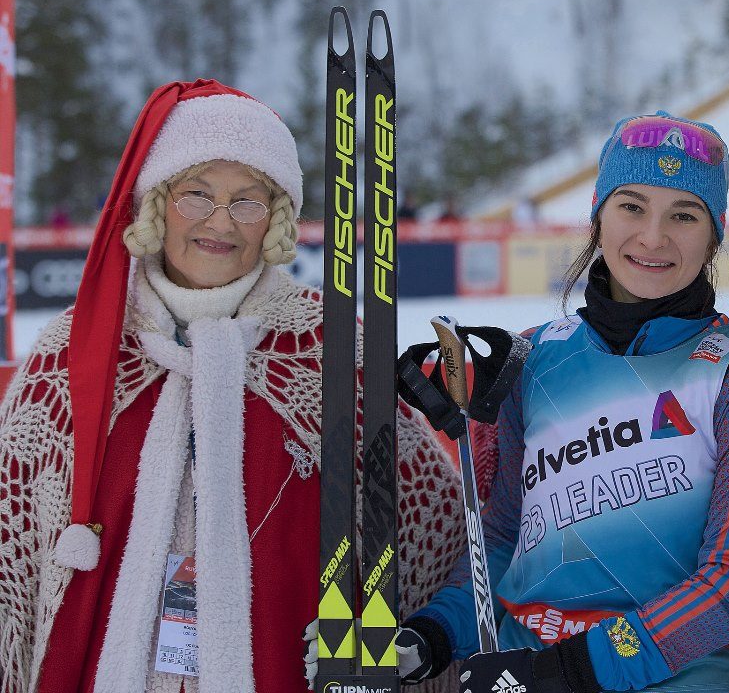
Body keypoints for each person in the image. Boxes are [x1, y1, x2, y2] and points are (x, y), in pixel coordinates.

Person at [0, 79, 465, 693]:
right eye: (197, 194)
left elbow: (431, 518)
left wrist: (387, 633)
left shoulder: (324, 347)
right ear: (156, 204)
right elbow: (14, 545)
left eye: (248, 200)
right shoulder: (78, 352)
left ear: (274, 219)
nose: (220, 221)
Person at [393, 112, 729, 693]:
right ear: (597, 215)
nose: (653, 237)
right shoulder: (531, 358)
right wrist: (433, 633)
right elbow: (503, 539)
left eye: (684, 214)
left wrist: (575, 670)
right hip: (520, 673)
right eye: (631, 206)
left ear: (713, 236)